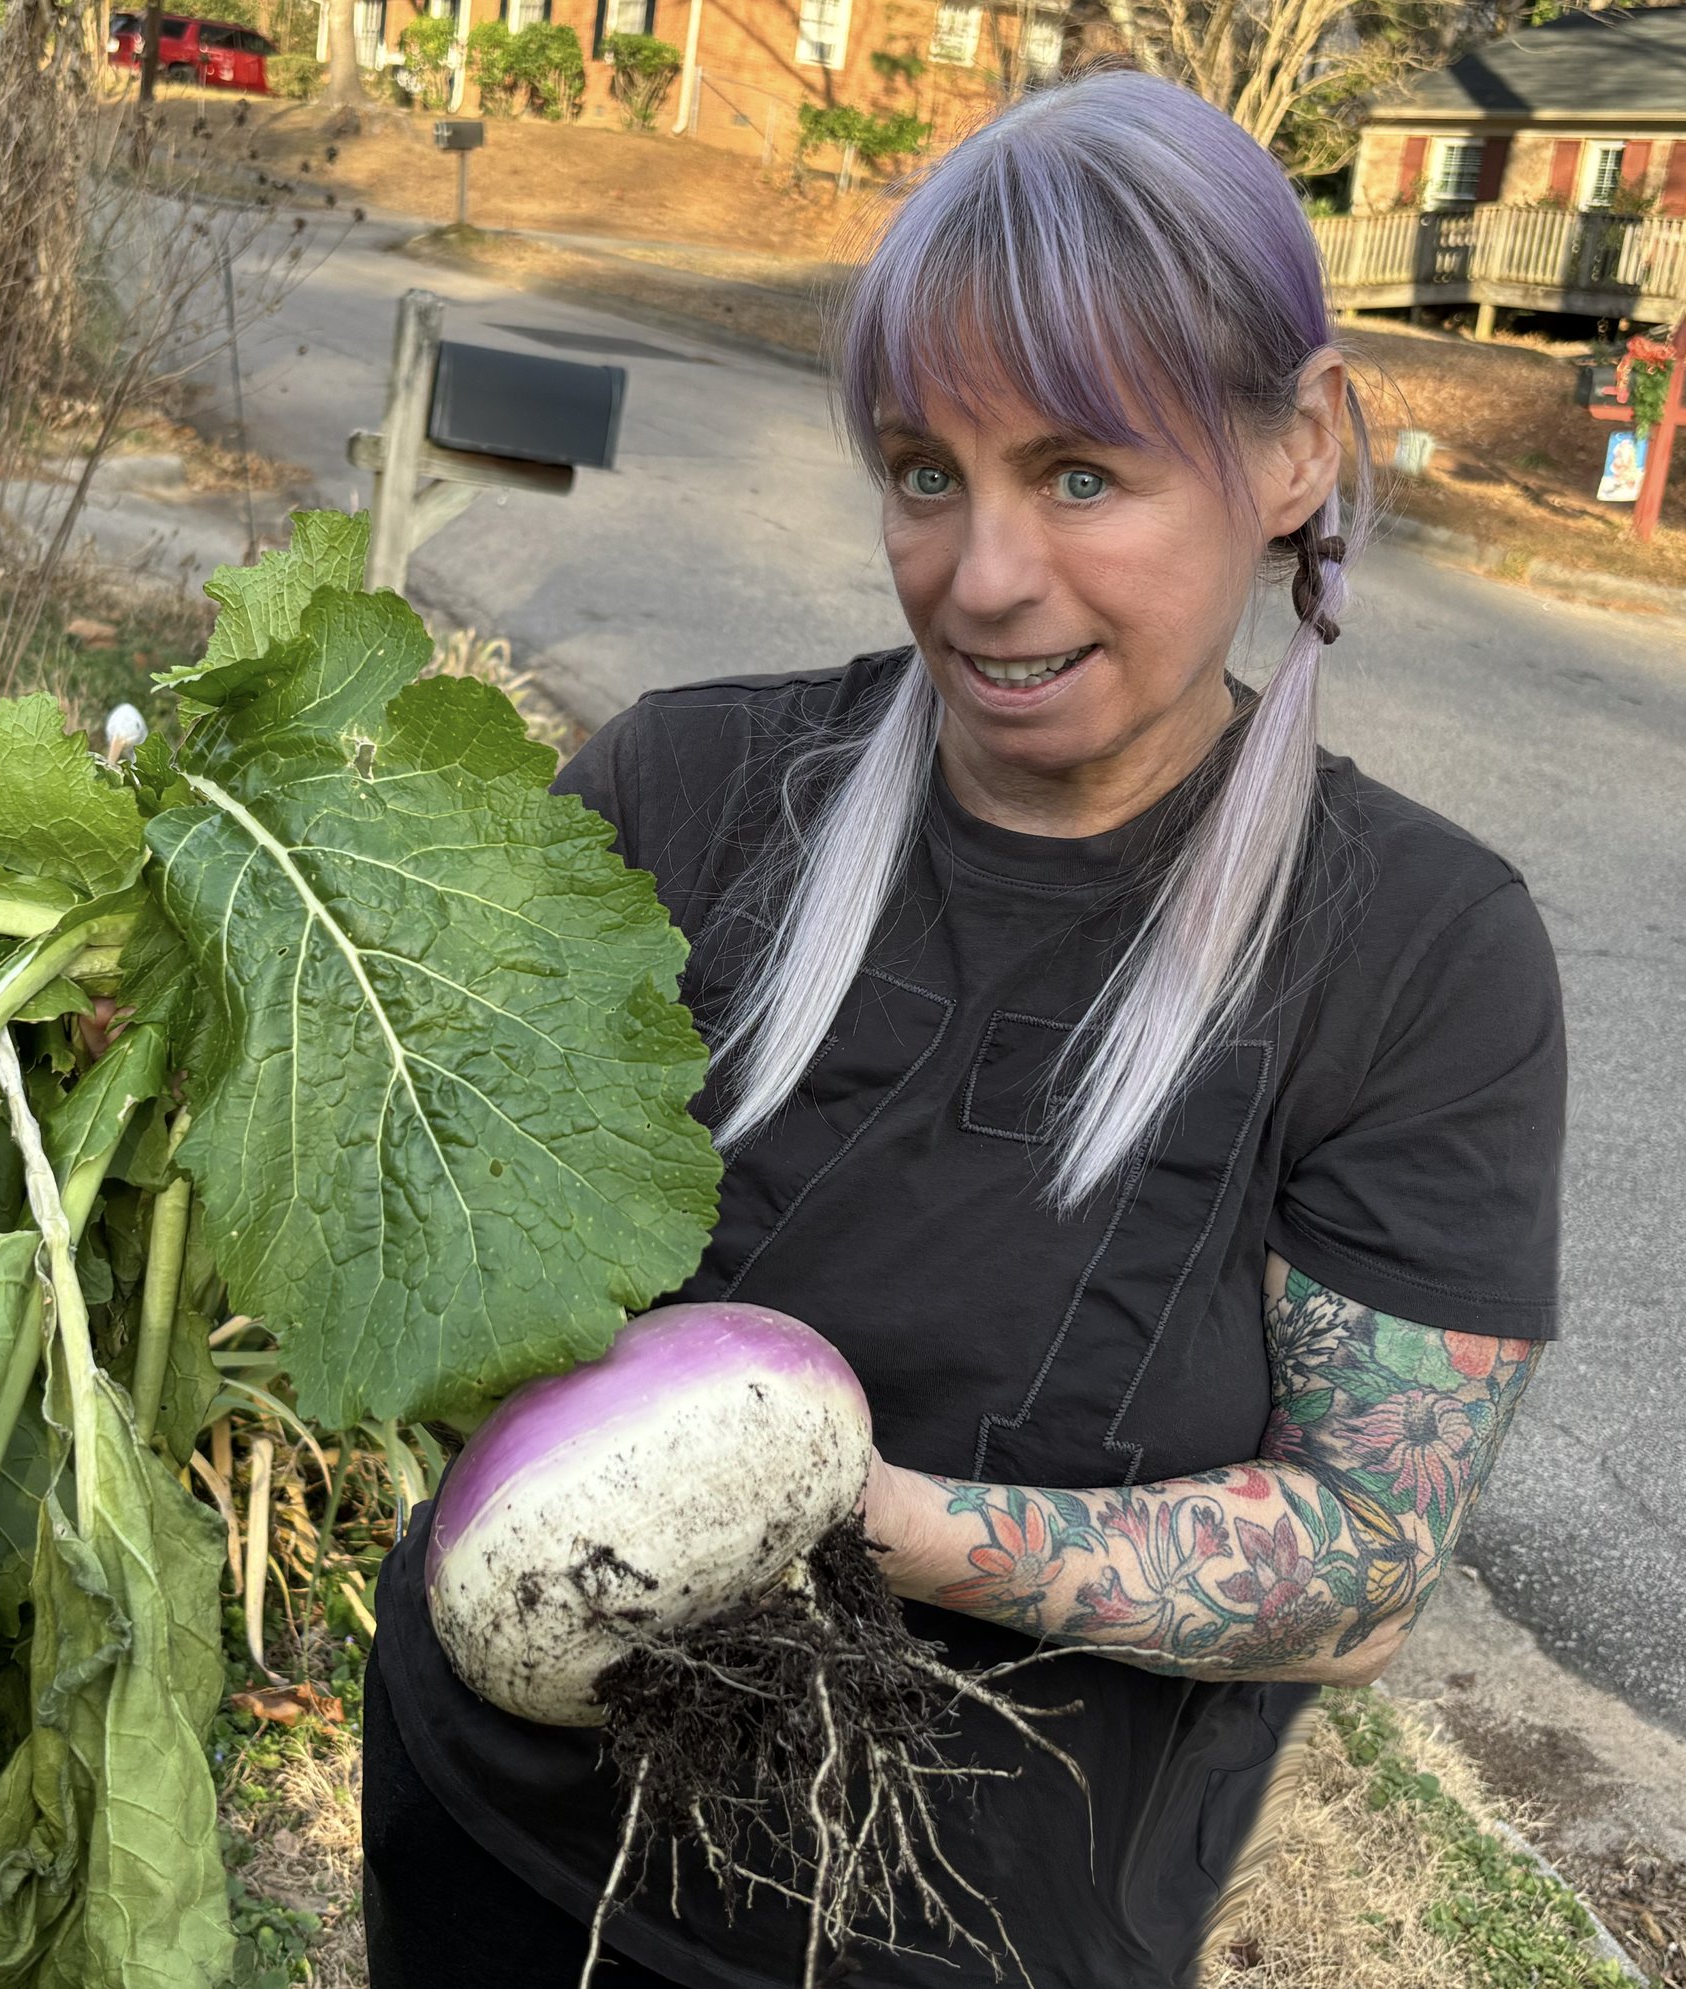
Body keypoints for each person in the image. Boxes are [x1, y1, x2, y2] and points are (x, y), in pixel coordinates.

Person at [360, 68, 1565, 1989]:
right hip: (497, 1841)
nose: (982, 575)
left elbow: (1360, 1557)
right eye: (927, 470)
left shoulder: (1423, 957)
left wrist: (864, 1522)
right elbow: (419, 1211)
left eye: (1082, 473)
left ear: (1294, 452)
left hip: (975, 1944)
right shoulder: (683, 790)